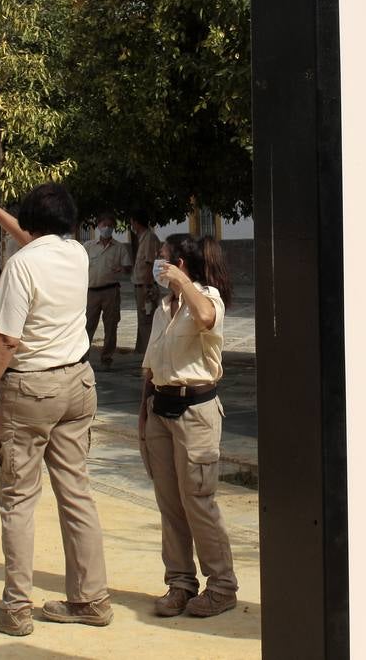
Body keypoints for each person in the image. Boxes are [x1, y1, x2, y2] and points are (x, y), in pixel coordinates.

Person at [0, 186, 111, 637]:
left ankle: (16, 608)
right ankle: (91, 598)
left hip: (31, 389)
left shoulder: (20, 265)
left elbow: (6, 341)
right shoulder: (77, 254)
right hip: (78, 382)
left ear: (30, 221)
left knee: (18, 498)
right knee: (76, 492)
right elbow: (36, 241)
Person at [139, 233, 238, 618]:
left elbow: (206, 318)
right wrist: (142, 410)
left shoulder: (206, 298)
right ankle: (180, 582)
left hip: (196, 413)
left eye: (162, 258)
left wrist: (183, 283)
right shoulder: (165, 305)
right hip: (160, 410)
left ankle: (222, 586)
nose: (156, 265)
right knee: (170, 503)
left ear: (180, 264)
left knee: (198, 501)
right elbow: (151, 363)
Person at [84, 212, 128, 370]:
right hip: (91, 291)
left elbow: (127, 267)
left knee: (111, 326)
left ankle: (106, 359)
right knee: (87, 325)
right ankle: (82, 357)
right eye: (104, 225)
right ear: (98, 226)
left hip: (111, 291)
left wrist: (122, 268)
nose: (107, 228)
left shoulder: (120, 247)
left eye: (110, 225)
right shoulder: (88, 246)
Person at [129, 210, 161, 355]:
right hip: (140, 284)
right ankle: (141, 350)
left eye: (132, 222)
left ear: (136, 223)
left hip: (145, 285)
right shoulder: (142, 238)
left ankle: (150, 353)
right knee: (142, 319)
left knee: (146, 320)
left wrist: (148, 289)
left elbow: (149, 264)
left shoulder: (149, 238)